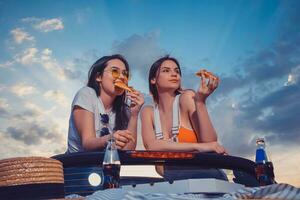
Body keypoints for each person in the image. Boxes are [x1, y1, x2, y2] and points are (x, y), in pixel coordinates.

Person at [141, 55, 227, 180]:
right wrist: (196, 147)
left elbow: (210, 142)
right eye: (166, 70)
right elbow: (151, 146)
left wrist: (200, 102)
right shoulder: (148, 112)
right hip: (174, 181)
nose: (174, 74)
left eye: (177, 71)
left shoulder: (187, 97)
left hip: (206, 176)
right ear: (153, 79)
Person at [67, 54, 144, 153]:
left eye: (125, 74)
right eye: (115, 71)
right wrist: (111, 138)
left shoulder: (124, 109)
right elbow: (87, 143)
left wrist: (134, 114)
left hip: (107, 165)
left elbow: (128, 150)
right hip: (79, 165)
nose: (122, 77)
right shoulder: (86, 94)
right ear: (99, 77)